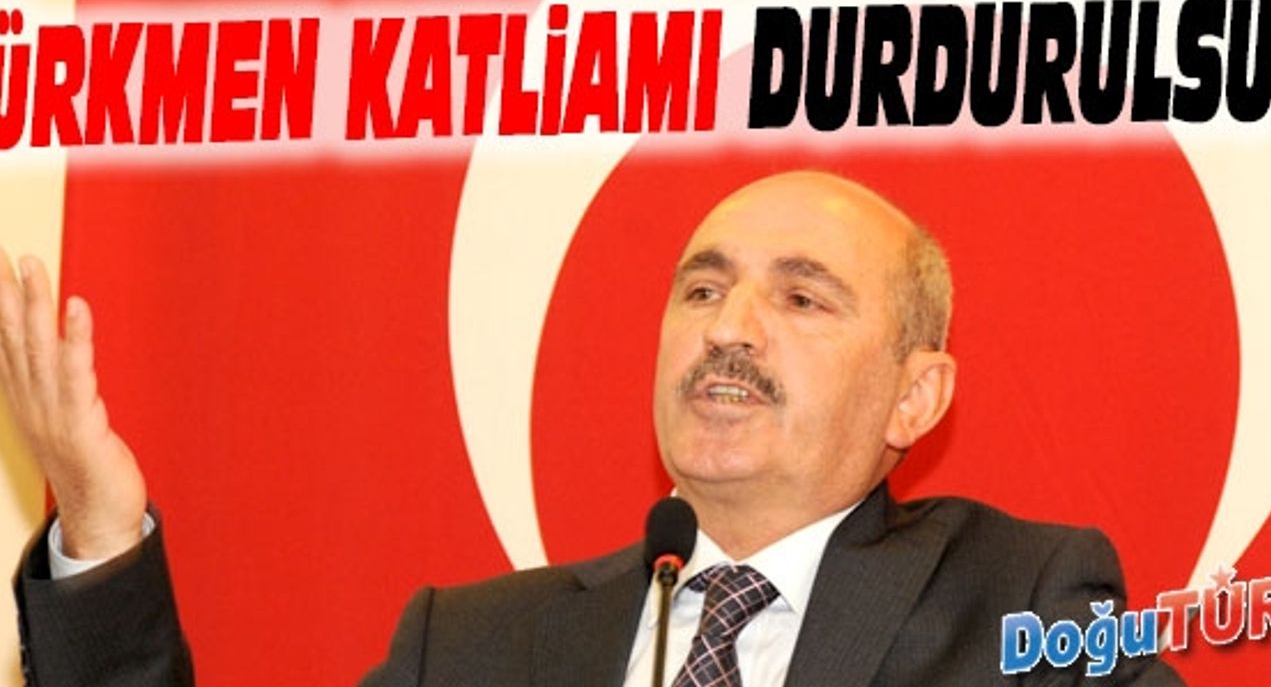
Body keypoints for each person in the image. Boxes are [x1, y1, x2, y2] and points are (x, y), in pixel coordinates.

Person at [3, 171, 1183, 685]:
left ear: (913, 398)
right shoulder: (470, 648)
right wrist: (99, 534)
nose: (727, 330)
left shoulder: (1022, 603)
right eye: (701, 288)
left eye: (800, 298)